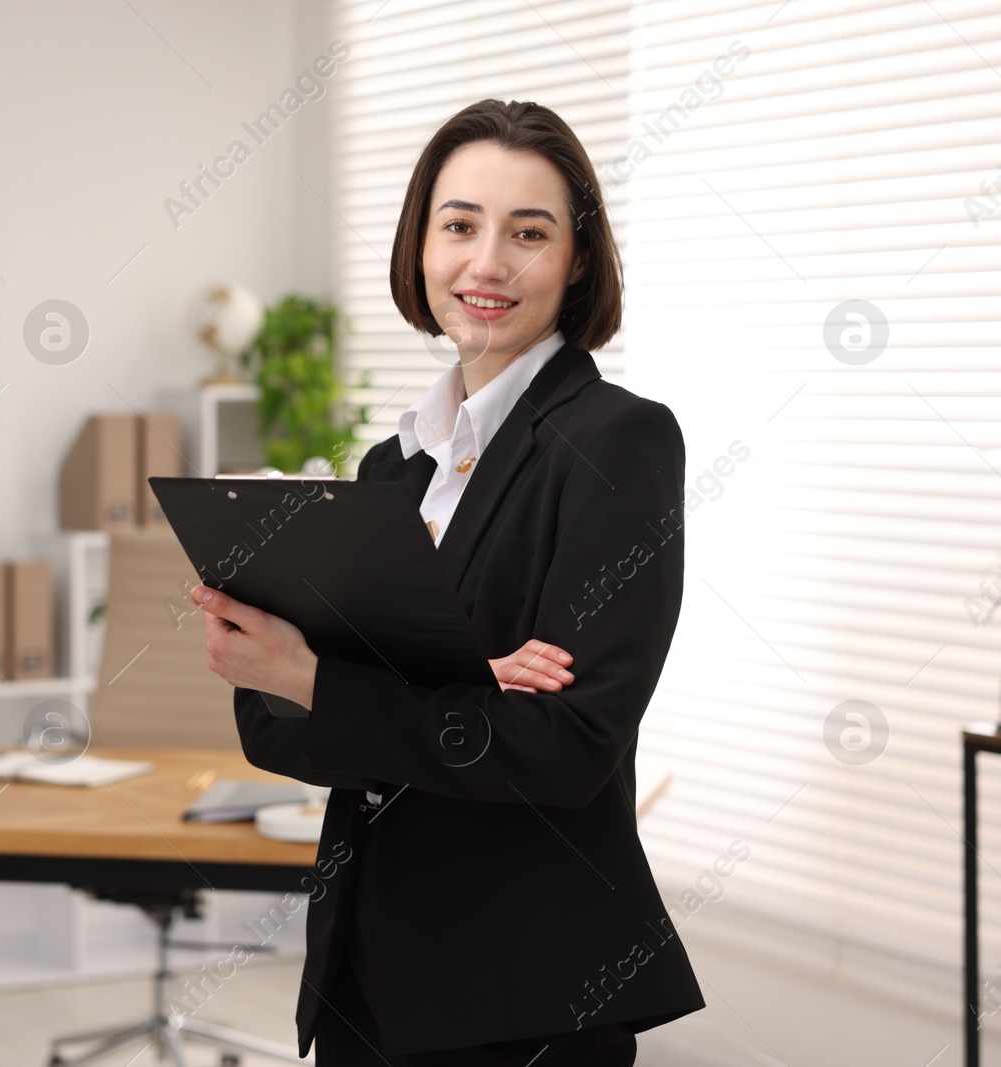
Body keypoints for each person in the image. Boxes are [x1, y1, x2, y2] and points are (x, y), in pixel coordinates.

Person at [190, 99, 705, 1065]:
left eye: (529, 233)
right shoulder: (396, 469)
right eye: (459, 225)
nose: (487, 264)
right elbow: (277, 726)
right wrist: (446, 684)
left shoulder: (616, 444)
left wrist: (322, 677)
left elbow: (563, 747)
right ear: (418, 243)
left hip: (523, 995)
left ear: (579, 259)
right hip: (364, 979)